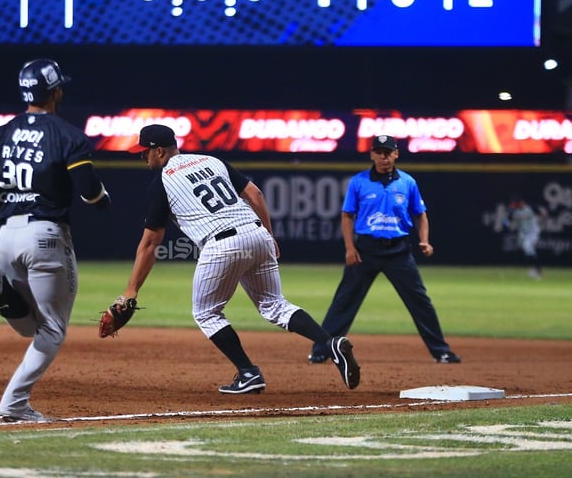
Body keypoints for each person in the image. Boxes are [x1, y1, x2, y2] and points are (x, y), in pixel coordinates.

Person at [117, 124, 360, 394]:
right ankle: (330, 344)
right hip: (255, 232)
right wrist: (269, 235)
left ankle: (248, 372)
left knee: (206, 313)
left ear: (159, 151)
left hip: (221, 243)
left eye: (145, 152)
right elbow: (255, 194)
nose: (143, 157)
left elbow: (151, 243)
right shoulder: (212, 160)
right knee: (275, 305)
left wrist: (131, 289)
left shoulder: (162, 182)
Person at [0, 58, 111, 423]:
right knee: (53, 330)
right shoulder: (67, 135)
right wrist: (103, 200)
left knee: (33, 327)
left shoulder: (2, 132)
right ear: (56, 91)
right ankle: (13, 405)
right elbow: (90, 191)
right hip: (45, 235)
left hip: (5, 238)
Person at [308, 135, 460, 364]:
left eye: (388, 152)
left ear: (396, 154)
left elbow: (421, 214)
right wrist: (349, 248)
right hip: (365, 250)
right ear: (372, 154)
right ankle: (321, 350)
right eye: (379, 152)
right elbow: (347, 216)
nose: (383, 157)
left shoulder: (407, 182)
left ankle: (441, 351)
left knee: (420, 302)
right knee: (344, 301)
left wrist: (424, 241)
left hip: (398, 252)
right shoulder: (359, 182)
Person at [506, 195, 544, 279]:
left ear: (521, 203)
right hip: (523, 234)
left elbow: (542, 213)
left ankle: (537, 270)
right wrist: (508, 225)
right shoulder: (513, 211)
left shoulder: (530, 208)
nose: (514, 206)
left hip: (533, 232)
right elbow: (506, 220)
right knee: (527, 250)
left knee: (528, 247)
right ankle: (535, 269)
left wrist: (541, 218)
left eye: (516, 204)